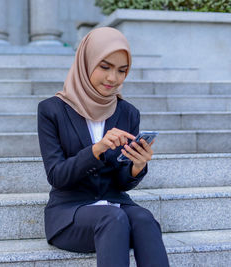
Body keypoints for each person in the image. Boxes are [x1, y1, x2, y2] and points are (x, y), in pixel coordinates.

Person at [37, 27, 170, 267]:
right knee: (113, 218)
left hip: (114, 205)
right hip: (70, 213)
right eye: (105, 67)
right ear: (86, 63)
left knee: (144, 219)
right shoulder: (52, 110)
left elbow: (121, 182)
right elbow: (57, 176)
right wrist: (96, 150)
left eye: (122, 71)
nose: (113, 79)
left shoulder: (128, 113)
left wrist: (136, 166)